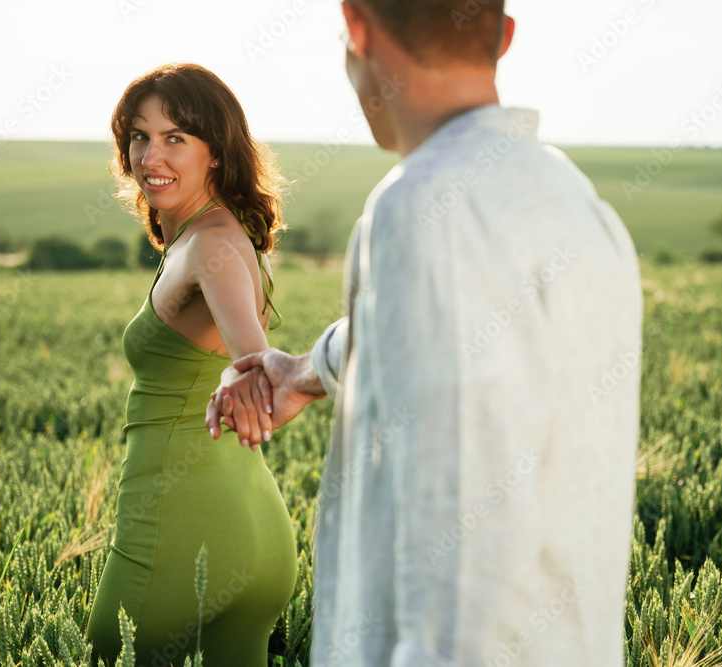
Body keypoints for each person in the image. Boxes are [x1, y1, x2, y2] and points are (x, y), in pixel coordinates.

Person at [207, 1, 644, 664]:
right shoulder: (576, 201)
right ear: (504, 37)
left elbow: (463, 538)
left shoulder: (422, 207)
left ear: (357, 26)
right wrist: (305, 370)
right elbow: (472, 337)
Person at [86, 62, 297, 667]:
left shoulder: (210, 246)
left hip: (179, 536)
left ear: (217, 153)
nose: (150, 155)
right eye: (139, 136)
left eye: (176, 137)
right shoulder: (220, 236)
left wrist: (251, 371)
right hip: (255, 535)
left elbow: (254, 359)